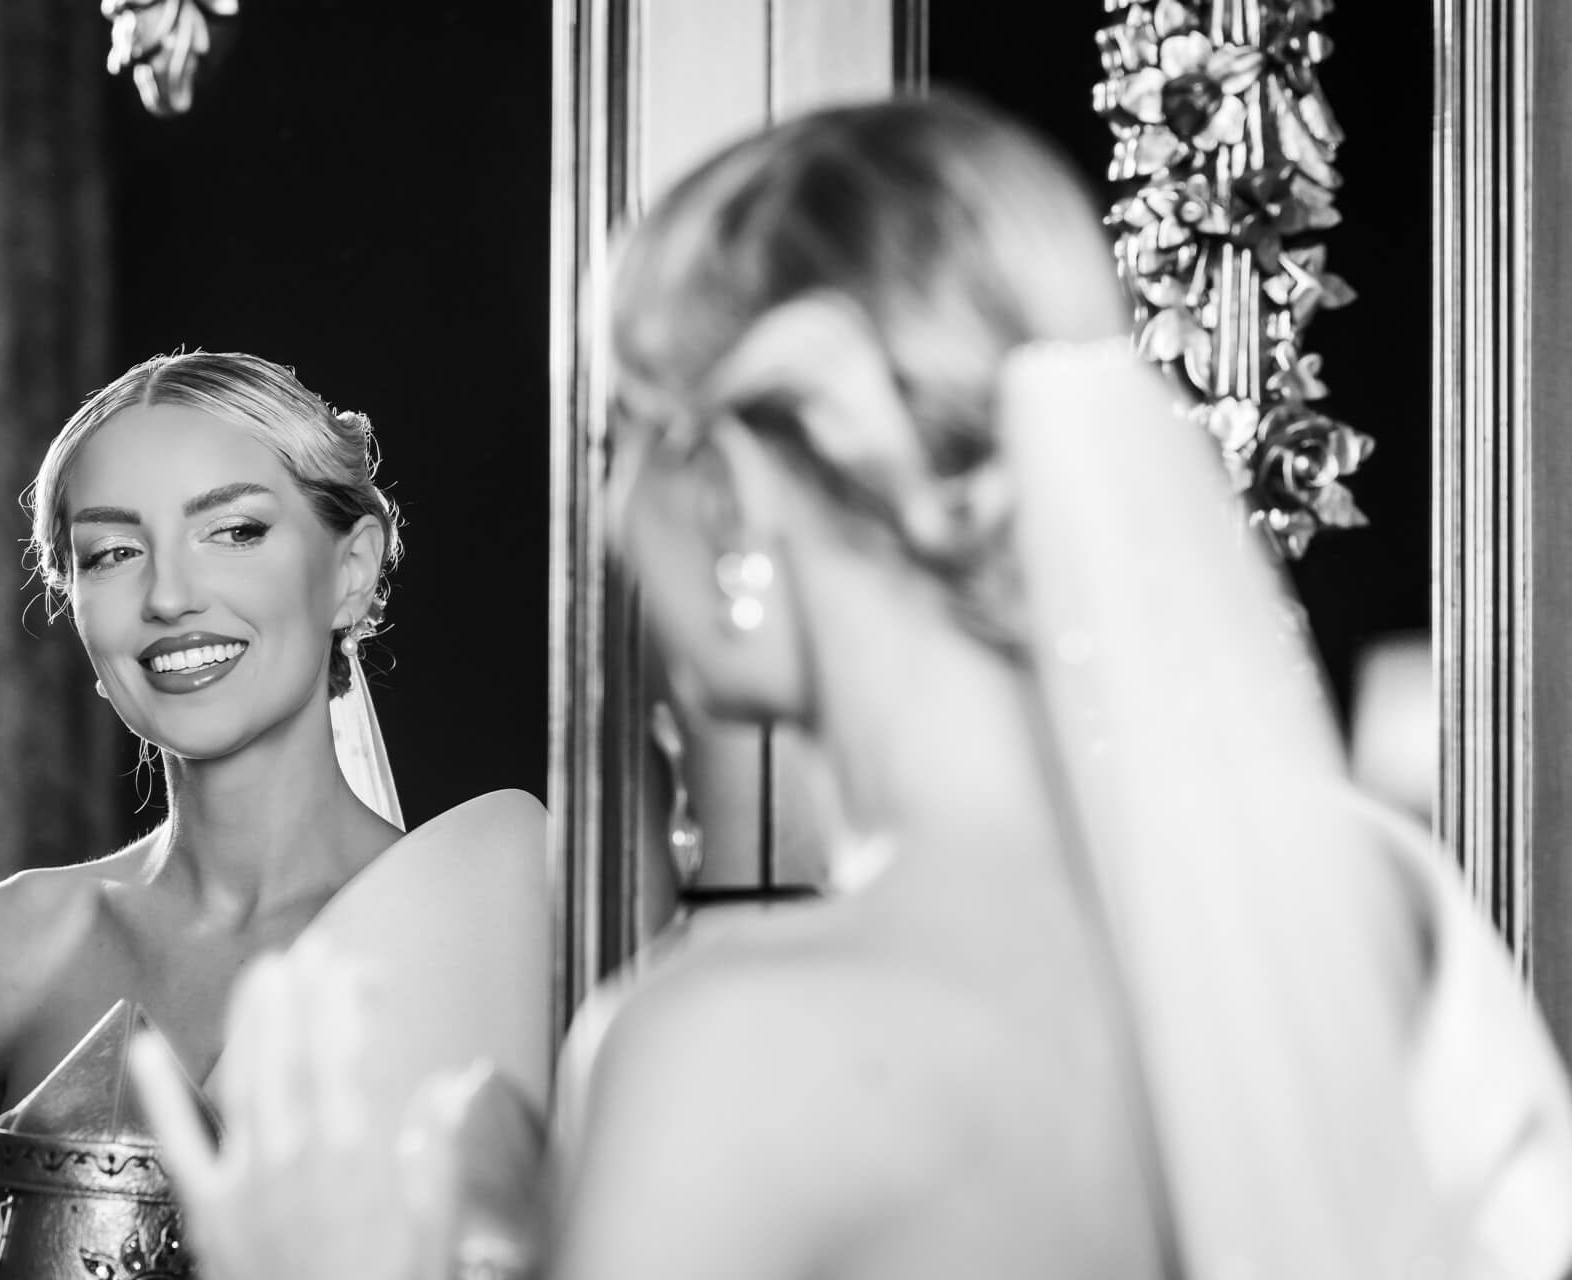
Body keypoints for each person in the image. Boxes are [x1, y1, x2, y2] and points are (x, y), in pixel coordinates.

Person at [135, 96, 1572, 1280]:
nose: (612, 513)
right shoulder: (1373, 915)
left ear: (737, 496)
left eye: (620, 442)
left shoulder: (729, 1048)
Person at [0, 351, 550, 1278]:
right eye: (113, 552)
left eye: (235, 531)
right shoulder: (11, 944)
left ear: (351, 572)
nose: (167, 596)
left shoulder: (505, 917)